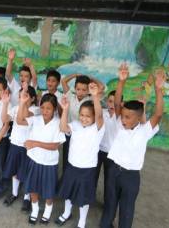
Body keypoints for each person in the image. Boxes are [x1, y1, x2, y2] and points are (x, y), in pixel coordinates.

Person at [100, 64, 164, 228]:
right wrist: (121, 81)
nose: (123, 119)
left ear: (139, 117)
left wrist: (158, 89)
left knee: (127, 212)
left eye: (128, 117)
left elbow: (157, 114)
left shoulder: (145, 131)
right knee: (109, 206)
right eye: (123, 115)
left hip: (131, 177)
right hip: (113, 171)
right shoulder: (119, 125)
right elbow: (117, 103)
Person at [56, 83, 105, 228]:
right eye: (82, 115)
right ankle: (67, 213)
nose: (84, 118)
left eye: (88, 116)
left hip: (87, 169)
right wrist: (65, 110)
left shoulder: (98, 128)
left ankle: (82, 221)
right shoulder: (76, 125)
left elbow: (100, 114)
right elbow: (63, 127)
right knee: (68, 192)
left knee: (83, 196)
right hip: (72, 166)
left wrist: (95, 96)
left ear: (94, 117)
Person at [17, 92, 66, 225]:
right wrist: (22, 102)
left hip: (49, 163)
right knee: (33, 188)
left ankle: (48, 211)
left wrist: (35, 143)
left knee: (48, 190)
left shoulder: (58, 123)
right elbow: (19, 120)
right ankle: (35, 209)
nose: (45, 111)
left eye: (48, 108)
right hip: (33, 160)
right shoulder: (36, 119)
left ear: (55, 109)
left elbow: (56, 145)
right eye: (43, 107)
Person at [1, 83, 38, 211]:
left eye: (26, 95)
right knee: (15, 172)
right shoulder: (16, 107)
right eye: (21, 95)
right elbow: (5, 119)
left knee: (27, 173)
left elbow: (21, 119)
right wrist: (5, 103)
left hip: (27, 148)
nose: (22, 97)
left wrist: (22, 103)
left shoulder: (35, 110)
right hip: (15, 145)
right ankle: (14, 193)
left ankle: (27, 197)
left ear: (33, 98)